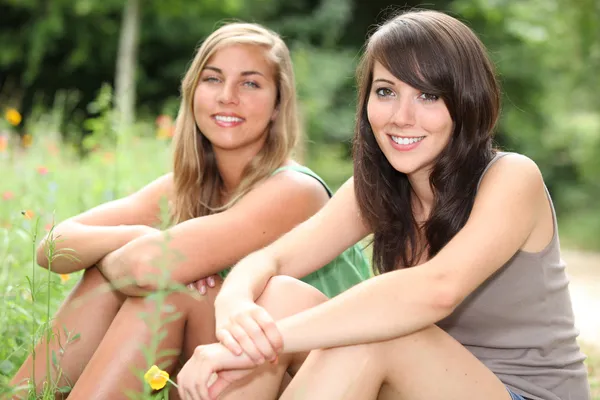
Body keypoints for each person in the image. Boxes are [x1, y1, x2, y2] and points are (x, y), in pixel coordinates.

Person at [176, 10, 591, 400]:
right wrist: (234, 303)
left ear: (465, 101)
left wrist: (257, 347)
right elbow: (272, 260)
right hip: (419, 384)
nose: (401, 116)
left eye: (428, 95)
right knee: (280, 294)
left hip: (520, 393)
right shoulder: (374, 187)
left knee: (370, 335)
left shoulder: (511, 177)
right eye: (386, 92)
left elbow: (436, 290)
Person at [10, 22, 370, 399]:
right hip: (235, 364)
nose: (227, 96)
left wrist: (143, 256)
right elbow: (52, 248)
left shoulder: (294, 190)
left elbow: (148, 266)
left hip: (320, 379)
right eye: (213, 79)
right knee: (130, 282)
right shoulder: (185, 189)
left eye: (250, 83)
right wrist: (138, 238)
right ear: (193, 91)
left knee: (171, 289)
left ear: (278, 104)